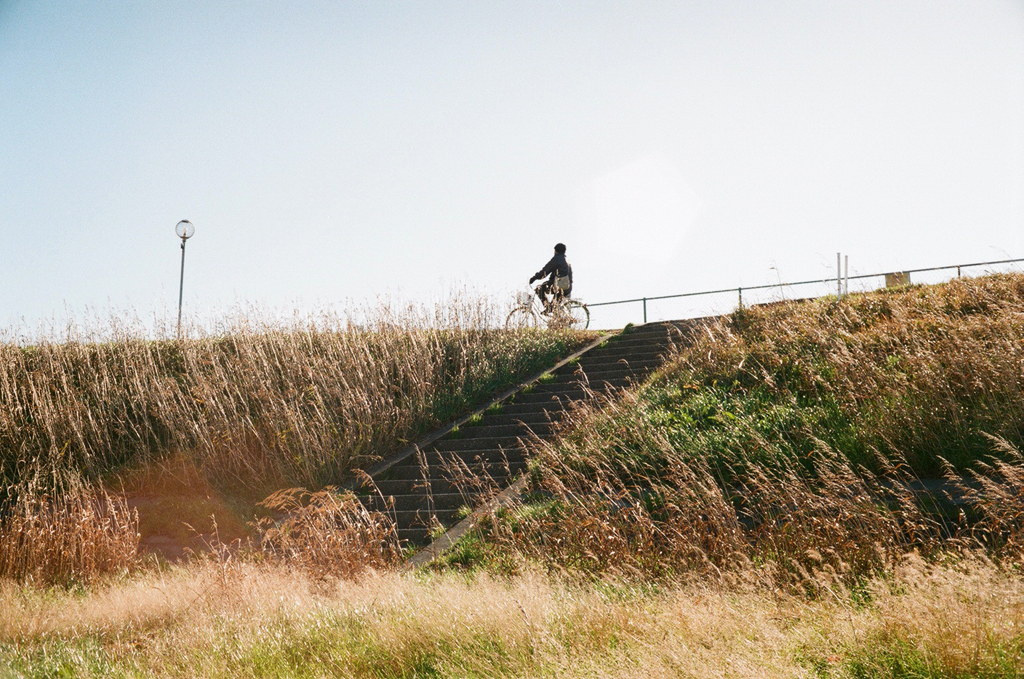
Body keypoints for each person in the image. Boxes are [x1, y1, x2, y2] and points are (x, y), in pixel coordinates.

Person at [529, 243, 573, 313]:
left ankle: (548, 308)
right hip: (567, 288)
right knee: (555, 308)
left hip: (559, 286)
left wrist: (534, 278)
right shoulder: (567, 260)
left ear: (555, 251)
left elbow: (545, 271)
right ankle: (555, 315)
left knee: (539, 289)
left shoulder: (557, 258)